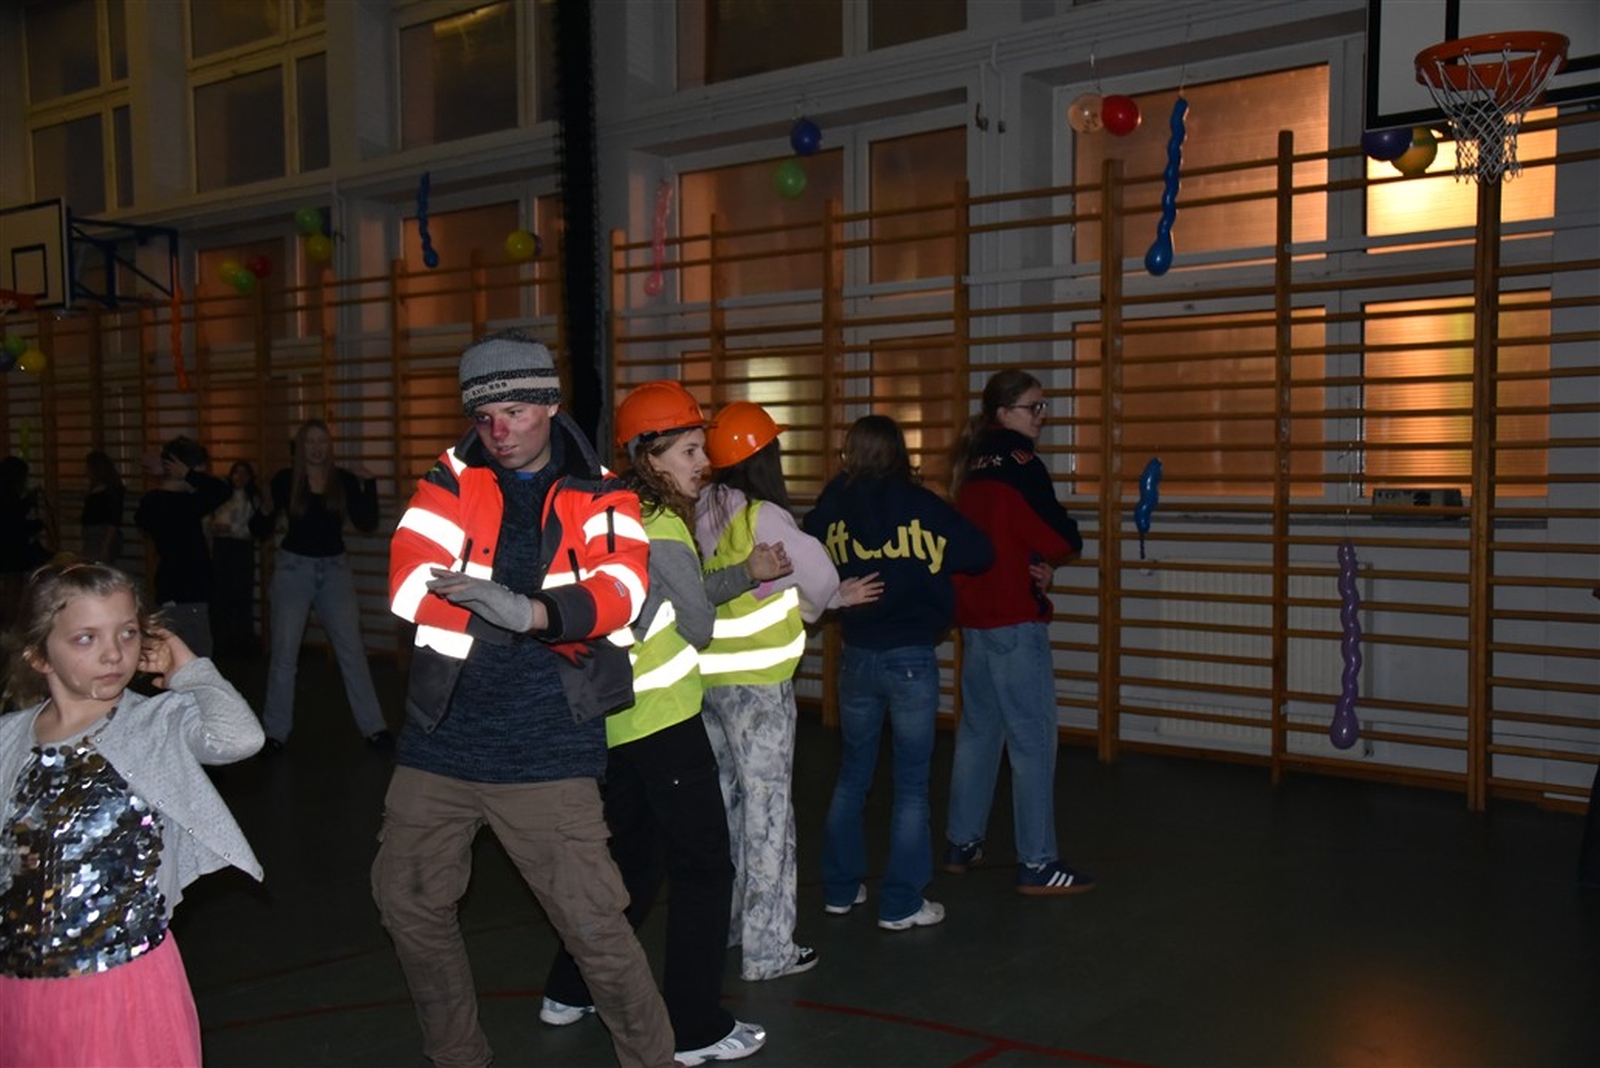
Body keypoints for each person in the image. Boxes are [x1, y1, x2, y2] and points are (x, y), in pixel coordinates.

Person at [376, 332, 674, 1068]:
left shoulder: (602, 493)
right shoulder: (449, 481)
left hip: (548, 748)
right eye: (484, 417)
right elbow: (409, 585)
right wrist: (502, 614)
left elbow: (623, 590)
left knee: (595, 927)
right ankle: (458, 1056)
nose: (499, 432)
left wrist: (531, 613)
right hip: (441, 740)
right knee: (407, 901)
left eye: (514, 412)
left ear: (549, 405)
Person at [542, 381, 781, 1065]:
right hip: (664, 724)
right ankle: (695, 1028)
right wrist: (724, 587)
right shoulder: (667, 528)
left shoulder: (614, 513)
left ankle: (568, 989)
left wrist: (742, 573)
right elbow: (696, 625)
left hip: (617, 723)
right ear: (650, 457)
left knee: (632, 866)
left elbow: (670, 598)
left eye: (702, 447)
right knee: (704, 870)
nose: (703, 461)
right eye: (688, 450)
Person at [0, 557, 264, 1067]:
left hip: (125, 981)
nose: (113, 653)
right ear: (39, 656)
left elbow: (240, 737)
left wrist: (186, 666)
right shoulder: (10, 737)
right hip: (24, 984)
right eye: (86, 638)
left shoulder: (152, 723)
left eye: (127, 633)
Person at [694, 400, 879, 982]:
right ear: (765, 457)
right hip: (759, 688)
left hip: (708, 684)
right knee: (769, 813)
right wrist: (827, 600)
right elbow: (819, 574)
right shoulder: (764, 516)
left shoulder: (701, 506)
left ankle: (728, 926)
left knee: (725, 808)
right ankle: (768, 949)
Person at [802, 414, 993, 930]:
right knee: (910, 785)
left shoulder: (834, 505)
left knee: (852, 776)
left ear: (850, 454)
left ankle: (840, 890)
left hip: (857, 656)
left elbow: (804, 548)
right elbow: (980, 552)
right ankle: (902, 902)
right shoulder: (921, 504)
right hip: (911, 657)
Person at [943, 369, 1096, 895]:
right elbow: (1059, 535)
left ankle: (962, 841)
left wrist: (1031, 559)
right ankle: (1038, 861)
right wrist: (1049, 554)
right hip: (1013, 619)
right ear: (1004, 413)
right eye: (1034, 407)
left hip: (977, 619)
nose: (1041, 417)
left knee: (978, 734)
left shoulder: (970, 466)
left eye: (1043, 406)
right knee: (1033, 742)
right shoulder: (1021, 464)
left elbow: (993, 540)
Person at [257, 419, 390, 750]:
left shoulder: (342, 480)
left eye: (322, 441)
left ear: (329, 446)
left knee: (352, 651)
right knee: (285, 655)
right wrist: (263, 507)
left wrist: (369, 484)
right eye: (310, 442)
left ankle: (374, 728)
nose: (316, 448)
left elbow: (367, 522)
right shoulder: (286, 479)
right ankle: (274, 732)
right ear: (300, 447)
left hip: (334, 570)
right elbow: (260, 528)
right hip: (293, 570)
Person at [134, 436, 232, 658]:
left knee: (173, 658)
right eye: (198, 473)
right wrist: (185, 474)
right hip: (189, 591)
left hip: (171, 589)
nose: (199, 480)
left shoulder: (156, 500)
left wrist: (170, 472)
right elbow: (222, 490)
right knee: (196, 659)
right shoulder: (185, 503)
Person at [209, 460, 266, 656]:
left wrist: (230, 529)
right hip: (222, 547)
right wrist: (214, 528)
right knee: (220, 594)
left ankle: (243, 641)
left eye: (244, 474)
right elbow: (211, 519)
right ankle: (222, 641)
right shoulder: (222, 495)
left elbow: (254, 527)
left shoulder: (253, 498)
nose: (239, 477)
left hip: (241, 548)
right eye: (236, 473)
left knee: (242, 594)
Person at [1, 455, 51, 636]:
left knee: (8, 588)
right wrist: (40, 523)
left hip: (6, 547)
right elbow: (16, 523)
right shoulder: (11, 497)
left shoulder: (6, 495)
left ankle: (6, 628)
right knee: (13, 590)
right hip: (13, 548)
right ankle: (8, 628)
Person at [81, 449, 125, 565]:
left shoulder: (111, 491)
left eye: (88, 467)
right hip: (91, 536)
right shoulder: (96, 489)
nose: (86, 471)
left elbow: (114, 520)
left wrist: (106, 545)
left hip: (101, 536)